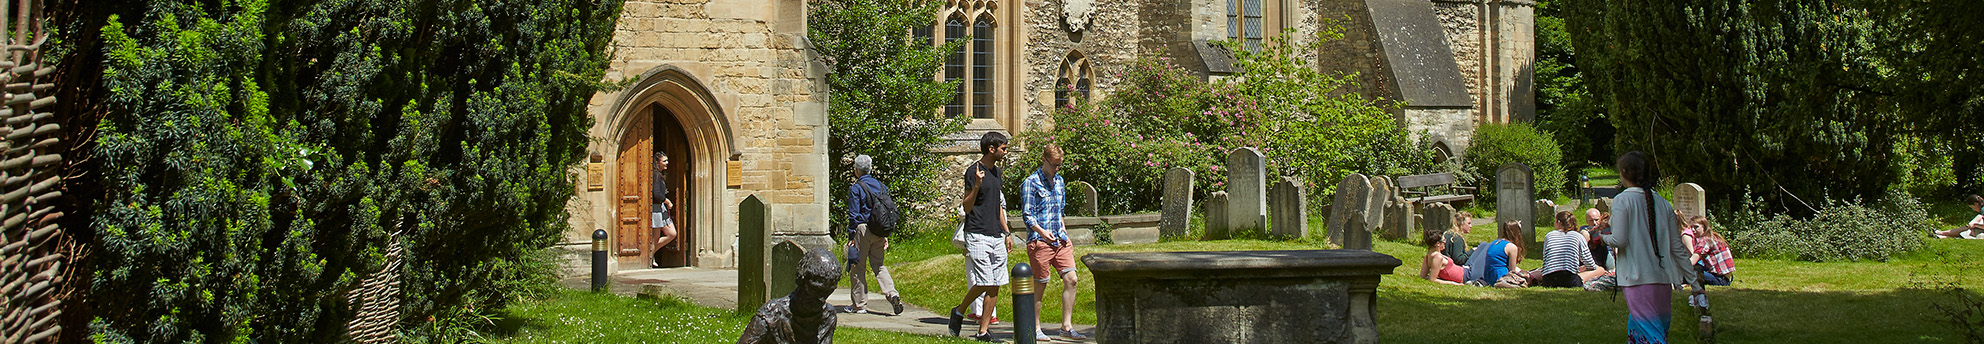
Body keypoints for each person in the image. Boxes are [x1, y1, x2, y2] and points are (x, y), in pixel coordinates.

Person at [1601, 151, 1697, 344]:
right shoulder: (1663, 203)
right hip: (1662, 280)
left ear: (1624, 172)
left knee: (1653, 336)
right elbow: (1677, 248)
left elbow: (1619, 239)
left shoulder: (1623, 200)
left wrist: (1602, 238)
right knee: (1641, 332)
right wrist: (1694, 282)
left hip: (1637, 279)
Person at [949, 131, 1013, 342]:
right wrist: (976, 184)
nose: (1006, 151)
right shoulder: (973, 171)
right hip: (977, 232)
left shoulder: (997, 173)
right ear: (991, 149)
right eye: (1003, 148)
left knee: (995, 284)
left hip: (996, 234)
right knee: (986, 281)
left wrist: (1007, 232)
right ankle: (959, 310)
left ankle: (983, 332)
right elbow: (967, 207)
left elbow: (998, 206)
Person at [1019, 144, 1087, 341]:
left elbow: (1060, 210)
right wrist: (1042, 233)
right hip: (1040, 241)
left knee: (1072, 279)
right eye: (1054, 164)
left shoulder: (1059, 181)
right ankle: (1035, 327)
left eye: (1060, 165)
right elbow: (1027, 216)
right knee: (1040, 284)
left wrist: (1063, 230)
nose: (1057, 168)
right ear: (1044, 160)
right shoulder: (1031, 183)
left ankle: (1066, 327)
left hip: (1061, 240)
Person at [738, 248, 841, 344]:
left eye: (827, 292)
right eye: (815, 290)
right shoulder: (772, 314)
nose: (821, 299)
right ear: (802, 280)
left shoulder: (827, 316)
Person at [844, 155, 905, 315]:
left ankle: (859, 305)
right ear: (870, 169)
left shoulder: (856, 188)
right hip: (879, 230)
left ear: (856, 170)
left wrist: (851, 236)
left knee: (858, 267)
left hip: (862, 230)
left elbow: (854, 215)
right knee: (878, 265)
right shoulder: (881, 186)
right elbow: (884, 212)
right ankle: (893, 294)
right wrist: (884, 234)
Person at [1538, 211, 1606, 287]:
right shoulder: (1578, 236)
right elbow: (1590, 263)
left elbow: (1546, 258)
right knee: (1600, 269)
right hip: (1569, 280)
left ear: (1559, 222)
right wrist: (1582, 269)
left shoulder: (1549, 235)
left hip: (1548, 280)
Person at [1462, 220, 1525, 287]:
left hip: (1487, 276)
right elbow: (1512, 271)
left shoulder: (1495, 242)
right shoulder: (1511, 247)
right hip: (1500, 275)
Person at [1685, 216, 1735, 286]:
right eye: (1691, 227)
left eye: (1696, 227)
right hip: (1728, 277)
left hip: (1721, 280)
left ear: (1704, 227)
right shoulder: (1714, 236)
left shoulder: (1705, 240)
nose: (1693, 230)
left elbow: (1692, 262)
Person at [651, 151, 679, 268]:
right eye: (664, 161)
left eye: (667, 160)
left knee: (672, 233)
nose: (667, 163)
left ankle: (650, 254)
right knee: (655, 237)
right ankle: (649, 257)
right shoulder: (656, 175)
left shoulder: (660, 175)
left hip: (661, 209)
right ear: (657, 163)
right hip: (657, 209)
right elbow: (656, 194)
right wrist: (666, 200)